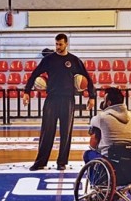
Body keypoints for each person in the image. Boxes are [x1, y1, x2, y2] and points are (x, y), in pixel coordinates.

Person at [23, 33, 96, 171]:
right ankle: (40, 162)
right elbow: (34, 74)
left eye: (60, 44)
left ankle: (62, 162)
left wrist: (92, 96)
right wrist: (26, 92)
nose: (58, 47)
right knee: (47, 131)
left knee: (66, 132)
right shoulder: (49, 59)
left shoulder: (74, 60)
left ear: (66, 44)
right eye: (56, 44)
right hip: (51, 98)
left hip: (68, 99)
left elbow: (87, 78)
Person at [83, 87, 131, 163]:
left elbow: (92, 125)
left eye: (104, 100)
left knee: (88, 154)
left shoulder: (102, 117)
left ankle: (95, 171)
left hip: (111, 158)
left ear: (108, 103)